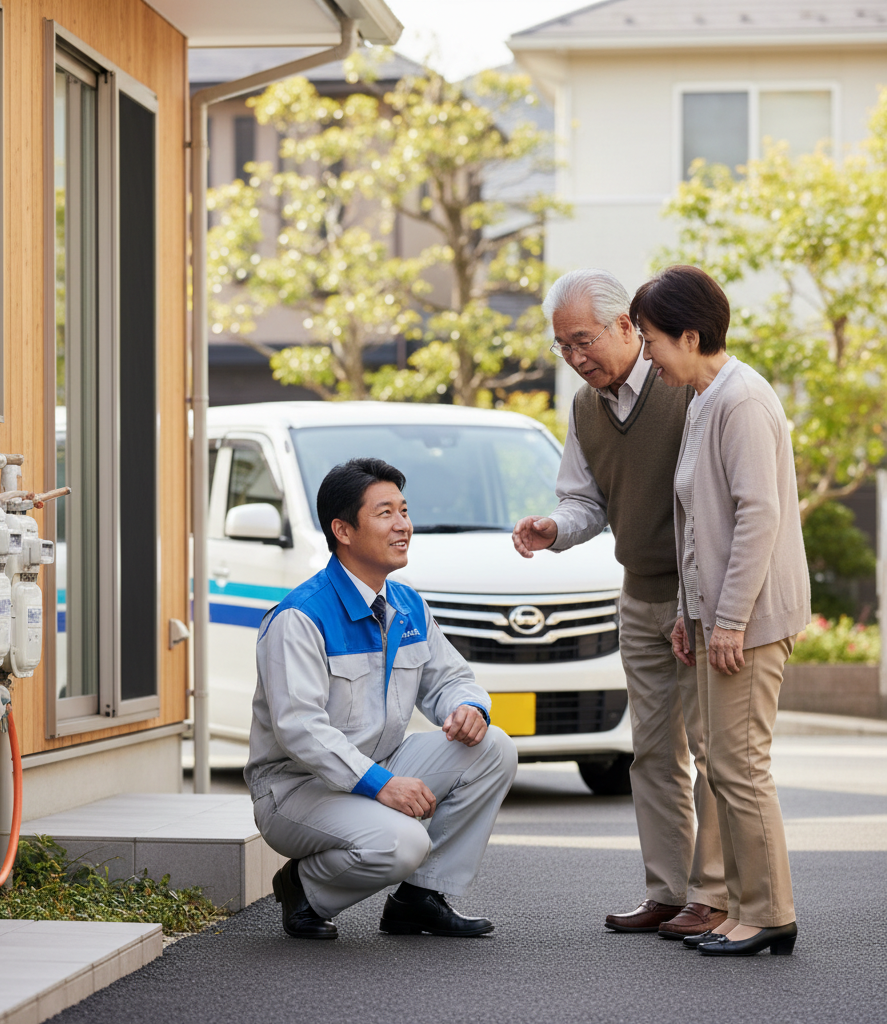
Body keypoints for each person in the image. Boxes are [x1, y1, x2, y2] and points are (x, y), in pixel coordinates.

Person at [512, 269, 727, 939]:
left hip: (699, 598)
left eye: (584, 340)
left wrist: (708, 609)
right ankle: (667, 890)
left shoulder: (687, 388)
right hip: (638, 597)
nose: (576, 358)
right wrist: (555, 530)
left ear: (628, 327)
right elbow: (583, 500)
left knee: (713, 750)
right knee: (653, 752)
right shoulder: (585, 407)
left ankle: (712, 893)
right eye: (563, 347)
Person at [245, 457, 518, 940]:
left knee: (493, 745)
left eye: (405, 510)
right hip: (296, 789)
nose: (404, 526)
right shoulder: (300, 618)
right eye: (385, 513)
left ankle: (419, 899)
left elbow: (451, 677)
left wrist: (468, 707)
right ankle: (305, 888)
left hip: (378, 763)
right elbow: (299, 730)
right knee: (403, 842)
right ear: (343, 530)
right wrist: (380, 785)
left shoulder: (407, 604)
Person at [632, 265, 809, 957]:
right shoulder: (705, 398)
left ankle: (769, 912)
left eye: (651, 340)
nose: (647, 354)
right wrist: (688, 611)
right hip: (715, 617)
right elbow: (697, 523)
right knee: (722, 764)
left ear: (691, 334)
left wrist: (729, 618)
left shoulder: (742, 400)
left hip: (750, 621)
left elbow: (757, 517)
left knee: (738, 767)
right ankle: (743, 906)